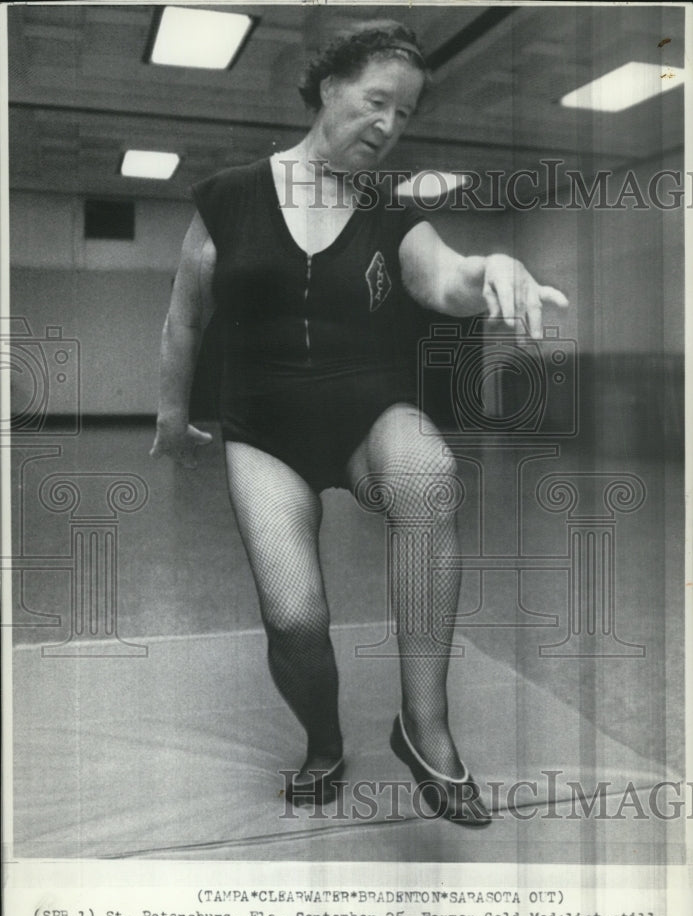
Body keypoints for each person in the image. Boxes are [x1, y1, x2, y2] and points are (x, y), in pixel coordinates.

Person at [150, 20, 567, 826]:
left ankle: (425, 726)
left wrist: (495, 269)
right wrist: (172, 417)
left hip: (367, 418)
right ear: (327, 88)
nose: (387, 125)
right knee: (296, 617)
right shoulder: (231, 197)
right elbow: (183, 321)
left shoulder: (391, 215)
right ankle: (323, 740)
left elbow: (447, 280)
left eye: (404, 114)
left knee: (428, 472)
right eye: (376, 101)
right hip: (265, 431)